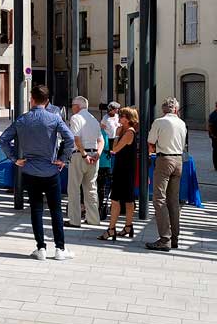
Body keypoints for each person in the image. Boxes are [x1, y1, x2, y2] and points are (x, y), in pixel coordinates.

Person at [0, 85, 76, 261]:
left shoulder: (22, 119)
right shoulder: (54, 118)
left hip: (30, 170)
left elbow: (3, 139)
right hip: (50, 170)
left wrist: (14, 158)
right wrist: (63, 158)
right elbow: (70, 139)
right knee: (56, 210)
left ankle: (40, 248)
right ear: (47, 101)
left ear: (31, 99)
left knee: (36, 209)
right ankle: (60, 248)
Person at [145, 97, 188, 252]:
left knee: (159, 199)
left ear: (163, 109)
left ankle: (165, 238)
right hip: (178, 159)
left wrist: (155, 148)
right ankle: (174, 237)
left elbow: (150, 141)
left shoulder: (159, 122)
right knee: (173, 201)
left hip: (164, 159)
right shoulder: (182, 123)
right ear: (175, 109)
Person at [98, 106, 139, 242]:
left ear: (127, 119)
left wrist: (116, 134)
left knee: (115, 200)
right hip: (126, 169)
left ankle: (111, 229)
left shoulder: (128, 133)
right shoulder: (129, 131)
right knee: (128, 199)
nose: (119, 118)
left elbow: (114, 149)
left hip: (123, 170)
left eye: (121, 116)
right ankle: (128, 226)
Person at [66, 96, 104, 228]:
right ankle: (93, 218)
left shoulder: (76, 118)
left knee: (74, 189)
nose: (72, 107)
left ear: (78, 106)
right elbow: (101, 140)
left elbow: (76, 139)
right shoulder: (94, 120)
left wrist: (84, 155)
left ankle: (74, 220)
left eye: (72, 105)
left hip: (79, 155)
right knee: (91, 188)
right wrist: (97, 154)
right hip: (94, 155)